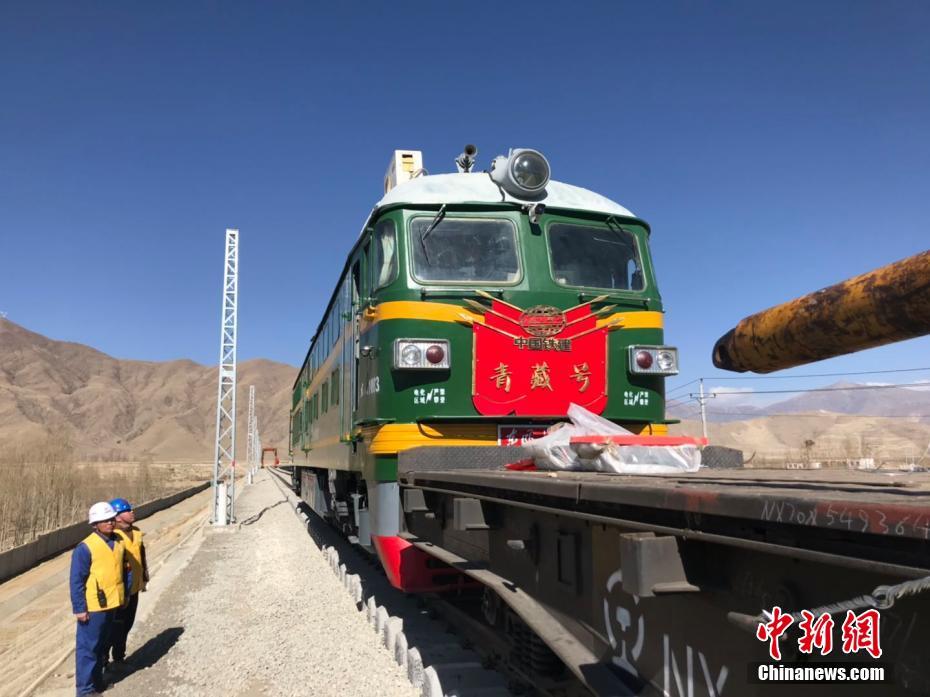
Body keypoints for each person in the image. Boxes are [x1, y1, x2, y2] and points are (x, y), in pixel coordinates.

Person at [70, 501, 127, 695]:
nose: (110, 523)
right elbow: (76, 581)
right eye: (105, 520)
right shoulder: (85, 548)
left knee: (101, 647)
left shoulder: (118, 542)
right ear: (95, 524)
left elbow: (122, 571)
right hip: (94, 607)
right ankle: (85, 690)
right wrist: (80, 608)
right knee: (88, 649)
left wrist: (123, 596)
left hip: (113, 602)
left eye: (111, 519)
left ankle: (97, 683)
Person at [107, 497, 148, 670]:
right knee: (115, 627)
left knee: (127, 625)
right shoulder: (113, 538)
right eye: (127, 510)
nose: (132, 512)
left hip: (134, 588)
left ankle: (119, 658)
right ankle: (105, 662)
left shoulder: (136, 532)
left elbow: (141, 557)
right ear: (117, 517)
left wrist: (144, 577)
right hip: (120, 591)